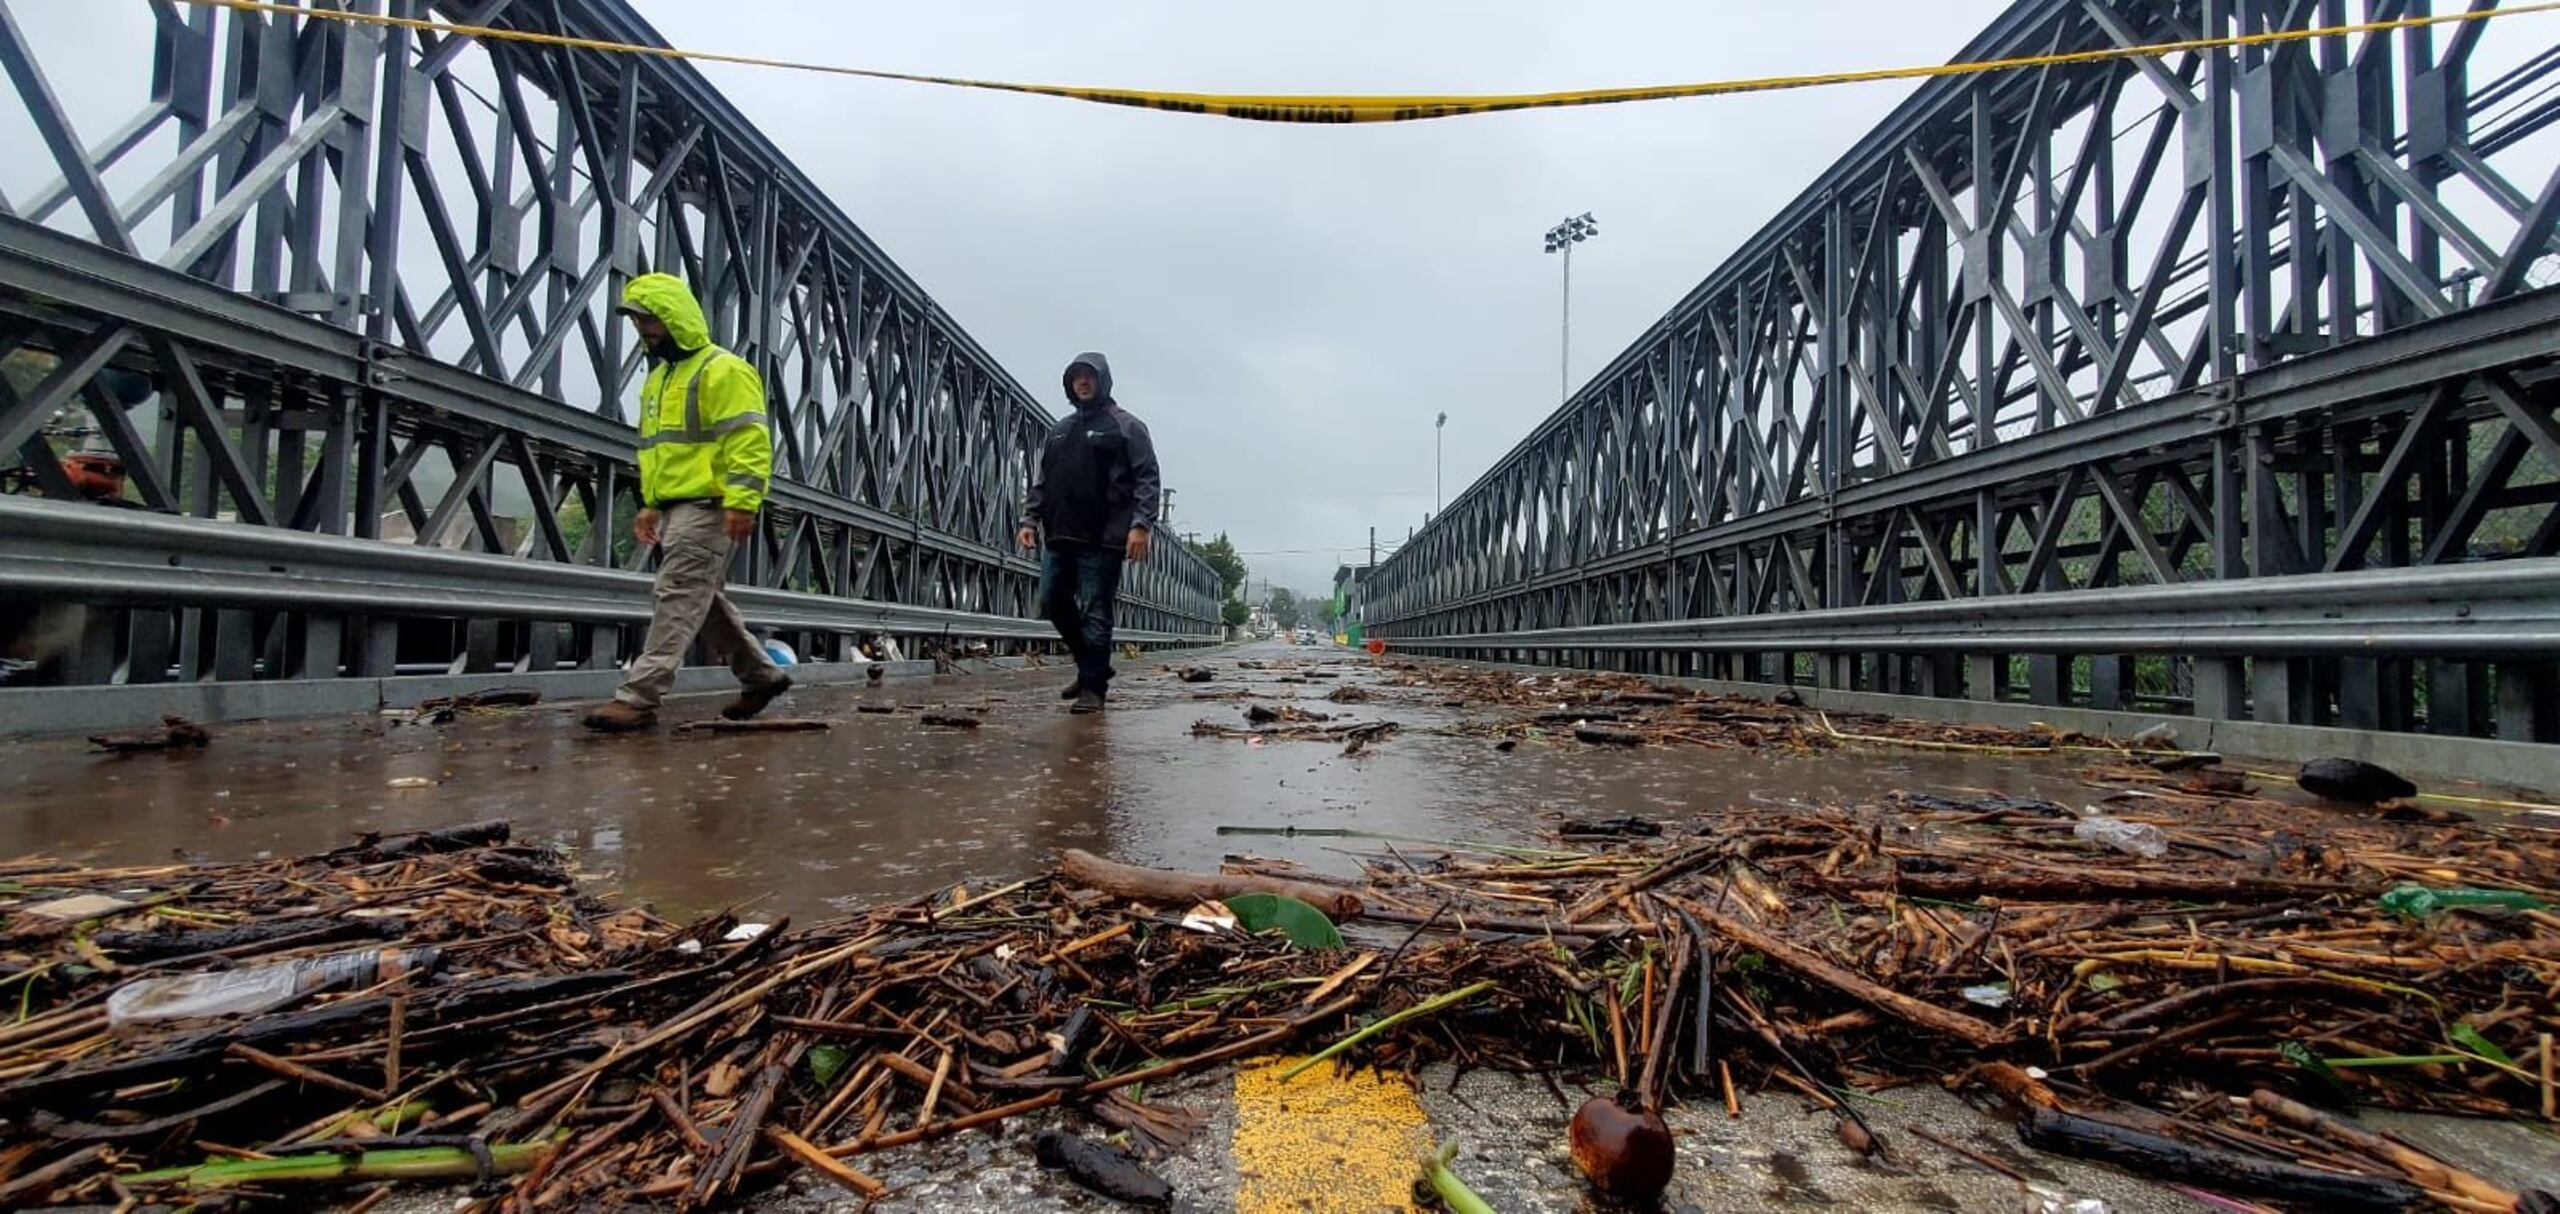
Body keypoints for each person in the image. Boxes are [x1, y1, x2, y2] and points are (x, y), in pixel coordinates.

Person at [582, 273, 792, 732]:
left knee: (675, 593)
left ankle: (638, 697)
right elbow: (660, 449)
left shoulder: (723, 369)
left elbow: (748, 440)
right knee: (702, 599)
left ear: (675, 318)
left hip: (711, 505)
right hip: (677, 505)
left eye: (650, 321)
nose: (644, 331)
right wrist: (651, 502)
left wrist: (742, 500)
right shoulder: (660, 380)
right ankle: (761, 676)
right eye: (638, 323)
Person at [1016, 352, 1159, 714]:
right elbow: (1043, 481)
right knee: (1051, 601)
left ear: (1103, 380)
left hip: (1103, 534)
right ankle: (1092, 666)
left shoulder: (1127, 426)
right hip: (1060, 532)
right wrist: (1029, 520)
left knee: (1096, 610)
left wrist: (1141, 525)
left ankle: (1093, 688)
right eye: (1076, 377)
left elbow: (1146, 477)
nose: (1082, 382)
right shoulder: (1060, 430)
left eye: (1089, 376)